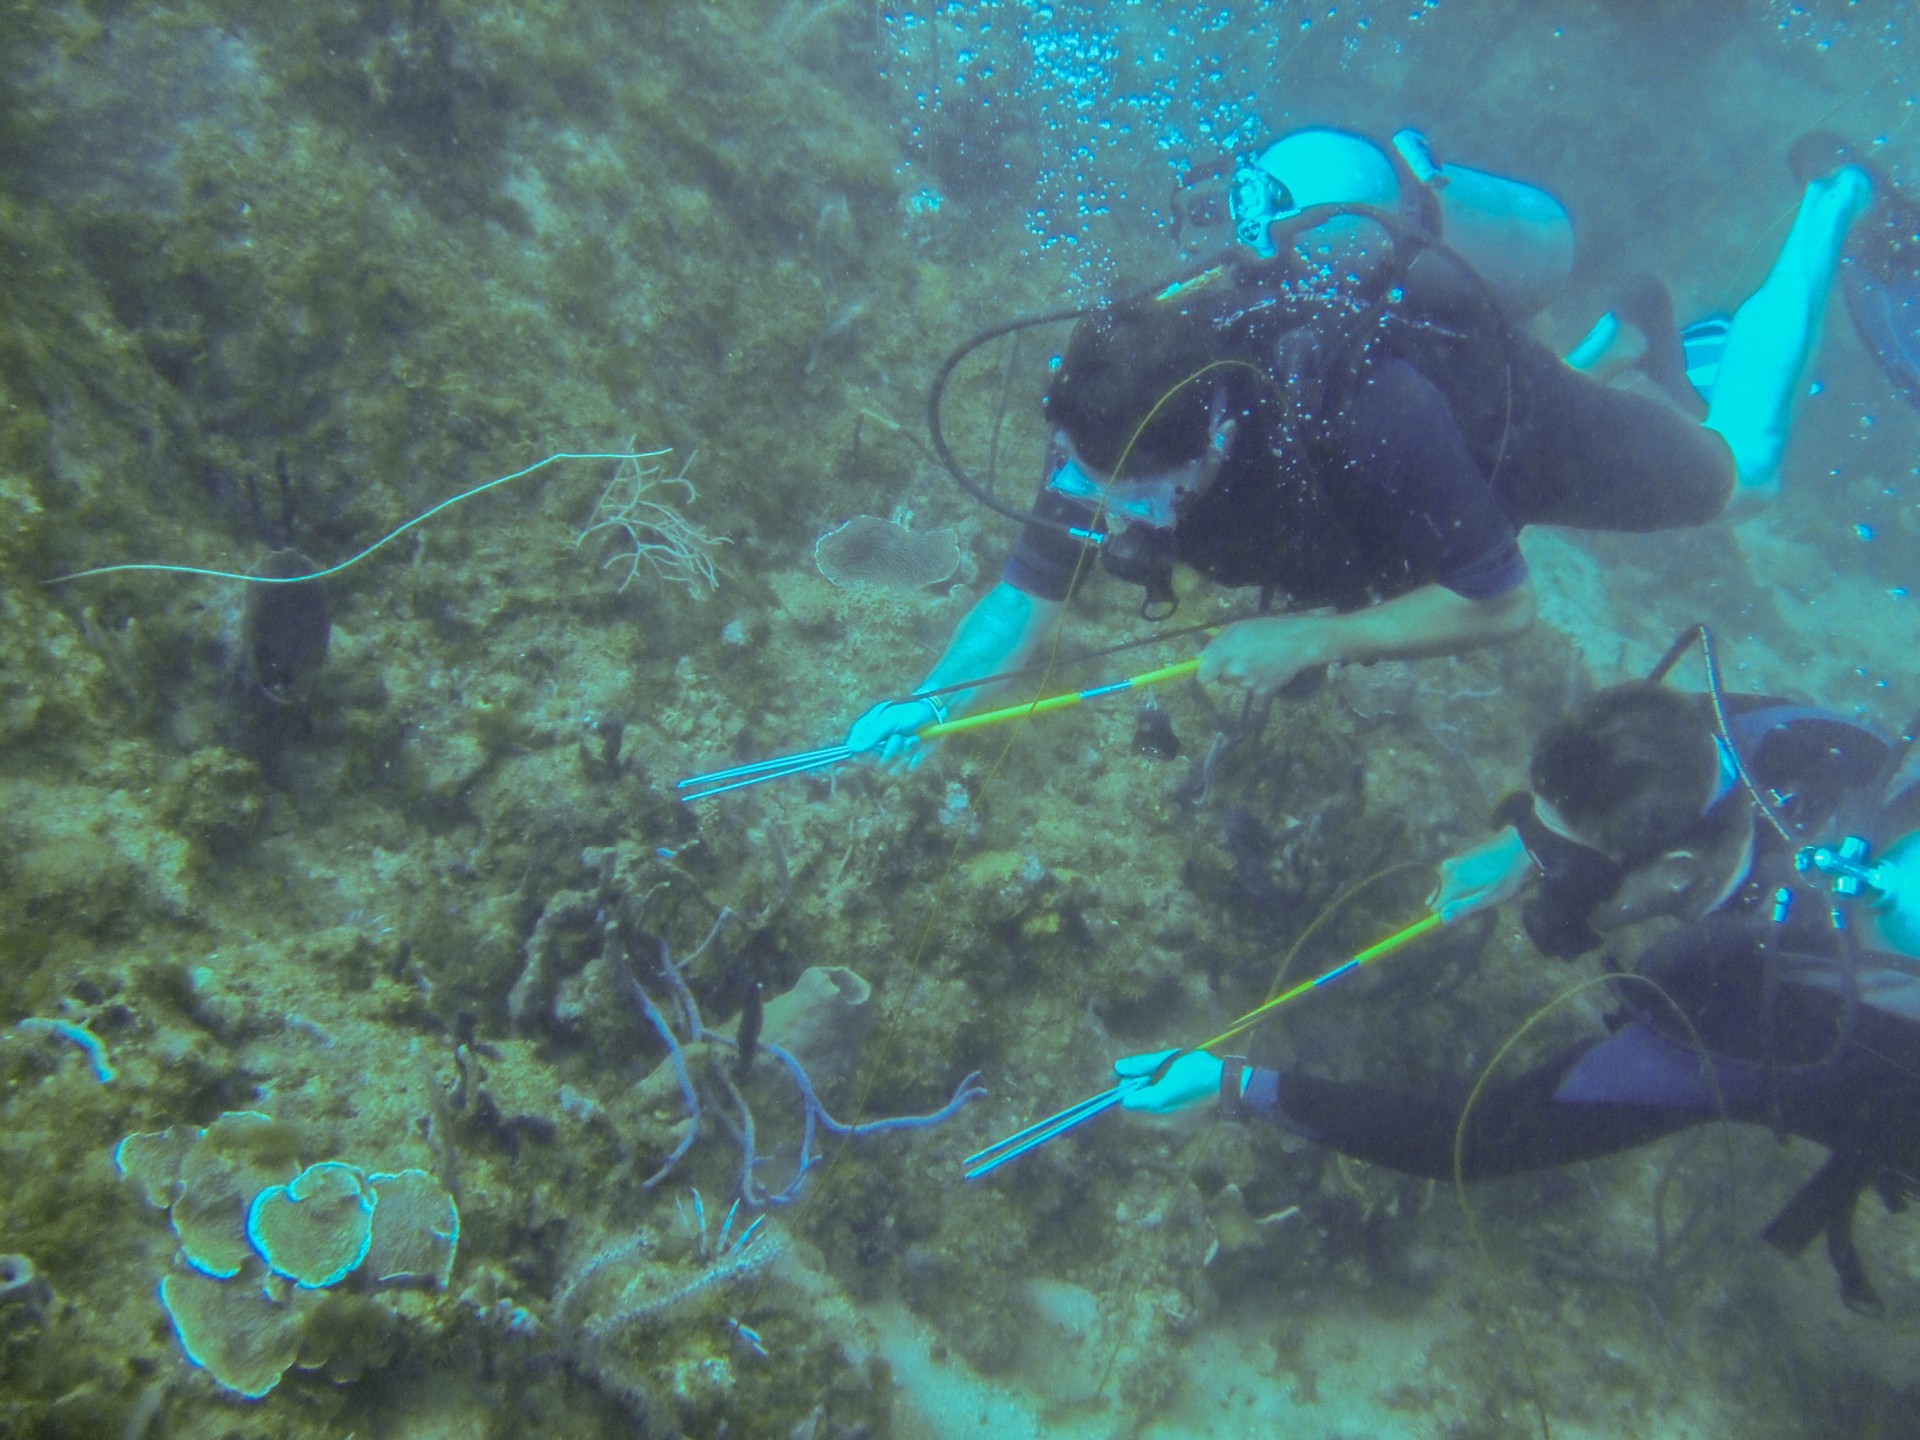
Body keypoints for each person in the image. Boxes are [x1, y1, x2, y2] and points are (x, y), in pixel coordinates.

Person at [845, 128, 1879, 767]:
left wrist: (1309, 641)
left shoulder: (1366, 407)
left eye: (1130, 496)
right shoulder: (1113, 414)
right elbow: (1024, 602)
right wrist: (921, 707)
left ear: (1212, 441)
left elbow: (1505, 600)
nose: (1098, 518)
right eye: (1080, 480)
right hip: (1405, 475)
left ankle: (1832, 199)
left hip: (1502, 429)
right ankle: (1622, 335)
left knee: (1749, 471)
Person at [1111, 675, 1920, 1310]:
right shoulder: (1785, 742)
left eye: (1571, 876)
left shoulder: (1752, 1016)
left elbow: (1474, 1138)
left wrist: (1229, 1083)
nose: (1548, 895)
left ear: (1675, 875)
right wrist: (1524, 841)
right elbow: (1621, 752)